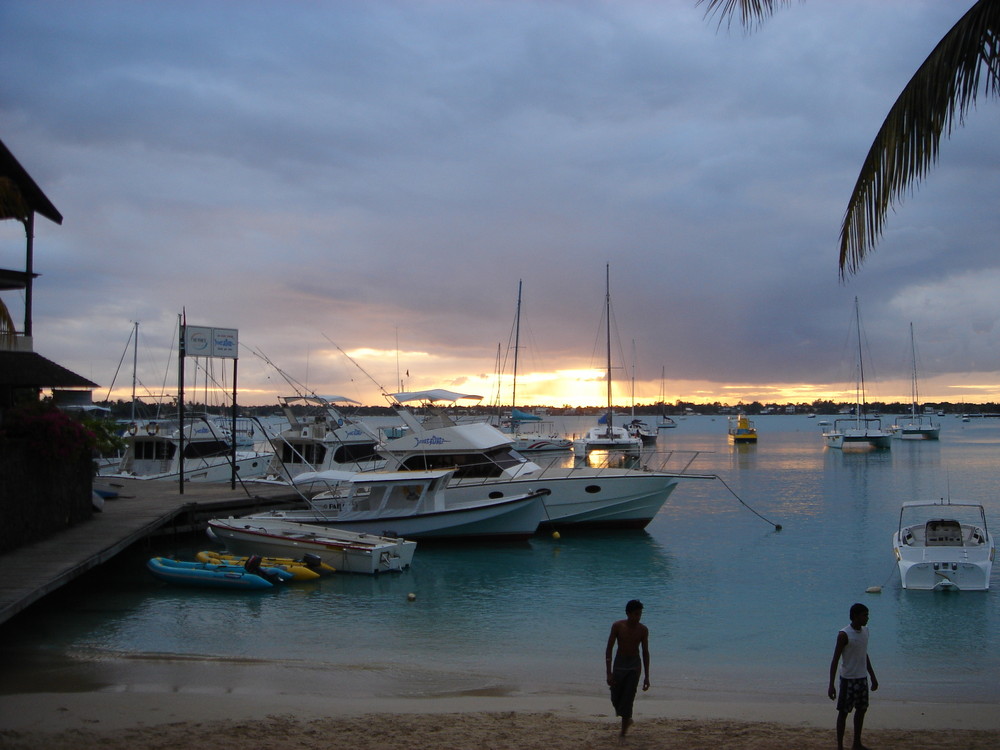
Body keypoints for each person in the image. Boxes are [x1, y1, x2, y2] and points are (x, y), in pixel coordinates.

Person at [828, 602, 879, 750]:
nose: (867, 618)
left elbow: (864, 654)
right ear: (855, 616)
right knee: (843, 713)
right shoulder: (844, 634)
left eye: (867, 615)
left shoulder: (866, 631)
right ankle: (840, 746)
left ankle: (857, 743)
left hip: (862, 678)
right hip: (848, 679)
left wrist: (873, 677)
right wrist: (831, 684)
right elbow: (835, 659)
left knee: (862, 710)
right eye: (864, 615)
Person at [605, 599, 650, 740]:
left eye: (640, 614)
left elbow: (645, 652)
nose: (638, 617)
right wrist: (608, 672)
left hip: (634, 667)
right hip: (619, 665)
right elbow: (609, 649)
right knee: (616, 698)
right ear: (628, 613)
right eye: (636, 614)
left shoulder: (643, 630)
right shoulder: (618, 626)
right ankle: (627, 719)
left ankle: (623, 732)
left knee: (628, 699)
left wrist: (647, 676)